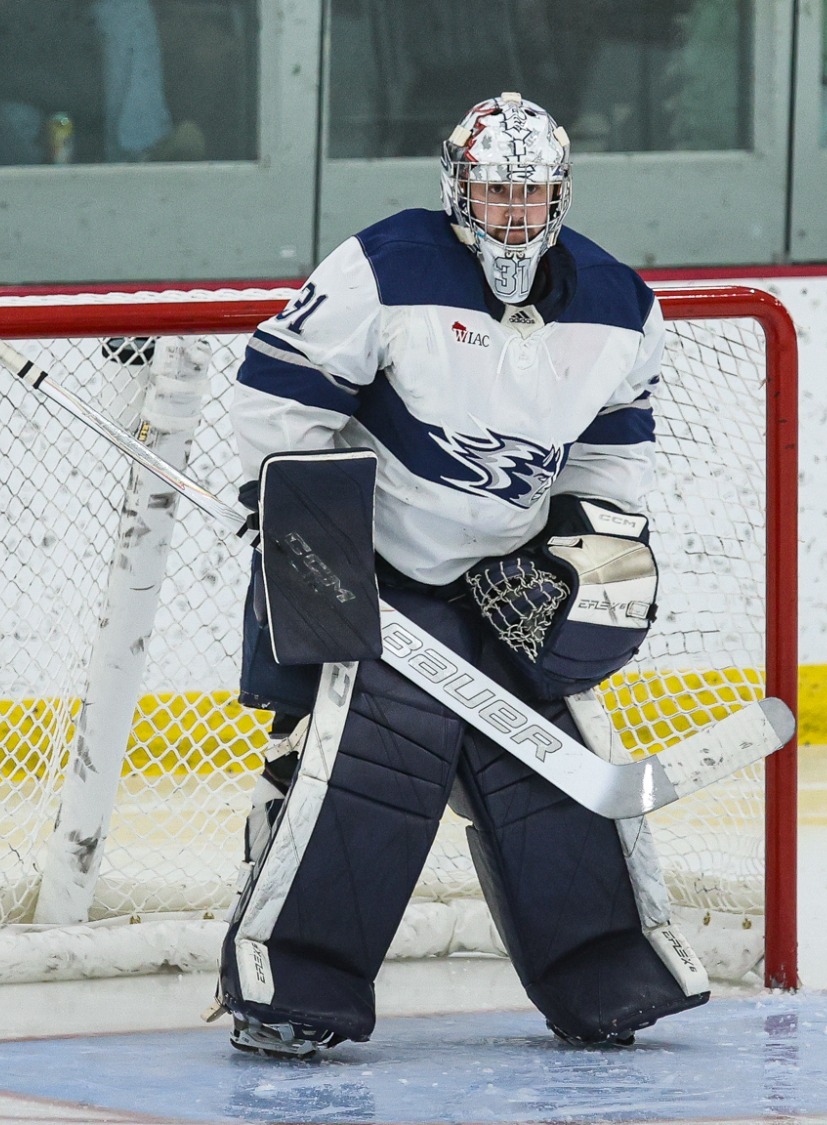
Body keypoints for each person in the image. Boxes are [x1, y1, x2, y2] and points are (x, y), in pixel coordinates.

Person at [216, 92, 706, 1057]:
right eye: (497, 194)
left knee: (549, 778)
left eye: (532, 195)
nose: (515, 215)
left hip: (505, 583)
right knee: (367, 771)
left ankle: (607, 973)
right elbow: (278, 396)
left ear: (560, 196)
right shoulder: (386, 267)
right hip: (377, 571)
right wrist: (306, 525)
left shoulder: (618, 305)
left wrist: (586, 549)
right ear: (459, 190)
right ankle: (294, 990)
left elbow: (611, 454)